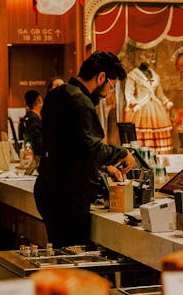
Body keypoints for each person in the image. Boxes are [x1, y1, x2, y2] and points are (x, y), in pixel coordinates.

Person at [34, 51, 138, 247]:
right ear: (101, 77)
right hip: (68, 196)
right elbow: (93, 148)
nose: (109, 93)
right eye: (111, 86)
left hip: (48, 188)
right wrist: (122, 153)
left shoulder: (56, 95)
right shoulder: (80, 102)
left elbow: (70, 146)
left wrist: (104, 167)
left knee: (61, 253)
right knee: (74, 259)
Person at [124, 55, 174, 154]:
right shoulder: (133, 75)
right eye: (142, 57)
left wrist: (166, 101)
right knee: (141, 133)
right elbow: (128, 93)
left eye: (148, 57)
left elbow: (159, 94)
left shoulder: (155, 75)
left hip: (156, 108)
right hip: (140, 108)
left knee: (157, 133)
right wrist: (133, 103)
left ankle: (158, 156)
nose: (146, 60)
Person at [17, 89, 44, 157]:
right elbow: (38, 142)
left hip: (28, 154)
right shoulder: (34, 119)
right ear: (39, 100)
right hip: (36, 156)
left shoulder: (26, 117)